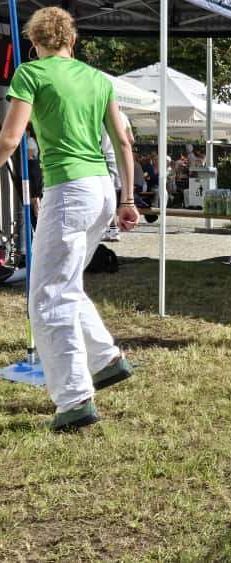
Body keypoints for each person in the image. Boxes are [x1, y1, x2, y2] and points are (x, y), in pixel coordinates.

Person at [0, 6, 138, 431]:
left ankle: (75, 399)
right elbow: (124, 140)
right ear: (72, 40)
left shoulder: (30, 74)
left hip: (67, 190)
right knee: (67, 283)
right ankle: (107, 360)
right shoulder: (98, 80)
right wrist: (128, 198)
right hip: (101, 190)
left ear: (34, 42)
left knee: (47, 297)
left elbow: (10, 137)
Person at [101, 111, 133, 242]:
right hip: (118, 158)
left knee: (107, 196)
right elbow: (131, 139)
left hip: (104, 157)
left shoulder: (101, 113)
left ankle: (112, 229)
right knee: (112, 195)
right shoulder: (123, 116)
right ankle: (111, 229)